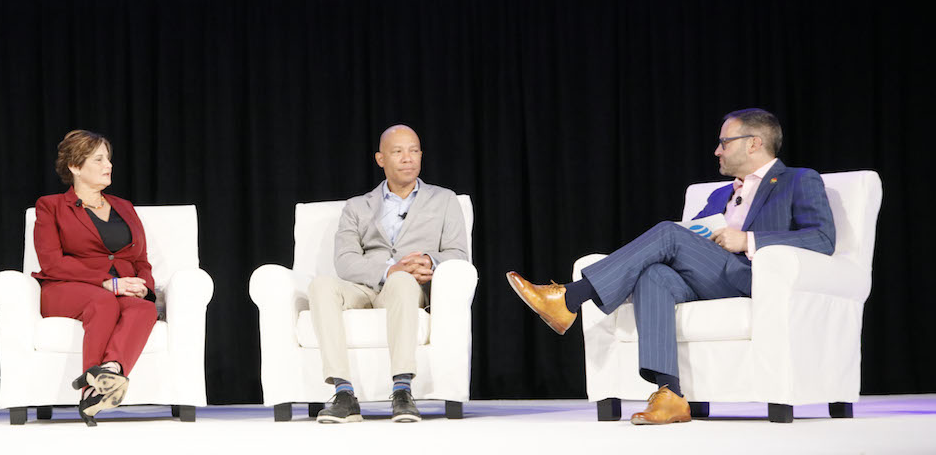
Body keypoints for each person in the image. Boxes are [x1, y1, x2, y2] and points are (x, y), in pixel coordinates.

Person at [506, 108, 835, 425]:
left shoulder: (798, 180)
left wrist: (748, 239)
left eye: (725, 142)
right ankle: (670, 394)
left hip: (755, 278)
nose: (717, 151)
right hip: (709, 276)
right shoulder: (720, 193)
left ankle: (569, 298)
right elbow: (691, 237)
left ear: (754, 142)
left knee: (667, 233)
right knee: (654, 274)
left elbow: (822, 239)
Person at [310, 125, 469, 423]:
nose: (408, 158)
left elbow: (459, 255)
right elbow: (345, 261)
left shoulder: (444, 200)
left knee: (401, 280)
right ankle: (344, 394)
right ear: (380, 159)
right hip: (364, 287)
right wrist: (388, 268)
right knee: (320, 285)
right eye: (398, 152)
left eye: (414, 150)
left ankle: (402, 391)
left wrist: (430, 261)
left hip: (407, 288)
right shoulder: (357, 206)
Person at [33, 130, 157, 426]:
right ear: (75, 167)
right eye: (99, 159)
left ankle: (110, 372)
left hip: (122, 289)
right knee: (103, 301)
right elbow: (52, 262)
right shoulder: (50, 206)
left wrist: (144, 287)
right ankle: (91, 384)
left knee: (144, 309)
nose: (108, 165)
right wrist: (107, 282)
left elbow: (140, 259)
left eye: (109, 159)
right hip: (66, 288)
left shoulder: (124, 207)